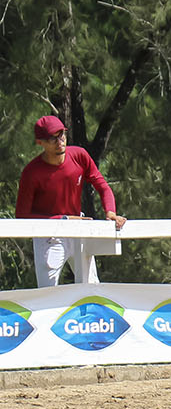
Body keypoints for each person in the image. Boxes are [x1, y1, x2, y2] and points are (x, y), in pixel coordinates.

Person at [15, 115, 126, 287]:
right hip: (48, 235)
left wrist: (110, 212)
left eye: (62, 134)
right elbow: (22, 217)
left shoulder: (79, 155)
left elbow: (103, 186)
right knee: (47, 293)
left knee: (92, 288)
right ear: (40, 142)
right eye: (53, 137)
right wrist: (63, 220)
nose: (60, 141)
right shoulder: (31, 173)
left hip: (78, 228)